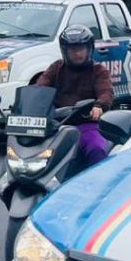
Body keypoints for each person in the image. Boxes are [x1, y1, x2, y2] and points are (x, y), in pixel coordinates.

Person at [36, 25, 115, 169]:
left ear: (89, 49)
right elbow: (40, 89)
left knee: (96, 148)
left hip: (86, 125)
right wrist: (26, 106)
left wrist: (99, 106)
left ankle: (100, 181)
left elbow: (106, 92)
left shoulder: (98, 70)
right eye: (73, 49)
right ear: (65, 51)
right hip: (56, 126)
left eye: (81, 49)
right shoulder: (56, 68)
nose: (78, 53)